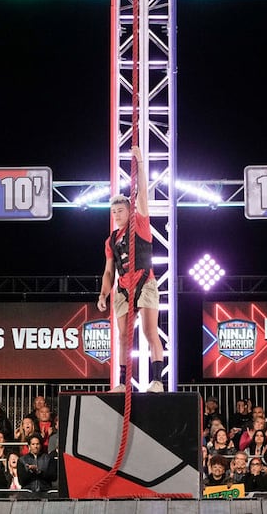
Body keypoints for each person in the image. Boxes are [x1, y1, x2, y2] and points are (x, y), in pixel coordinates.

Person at [97, 145, 164, 393]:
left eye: (120, 210)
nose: (116, 214)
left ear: (129, 211)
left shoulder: (140, 225)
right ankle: (124, 382)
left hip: (144, 282)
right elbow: (108, 271)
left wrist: (140, 163)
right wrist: (103, 293)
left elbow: (142, 195)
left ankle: (157, 380)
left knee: (149, 331)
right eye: (113, 211)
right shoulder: (111, 239)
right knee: (123, 338)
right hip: (123, 287)